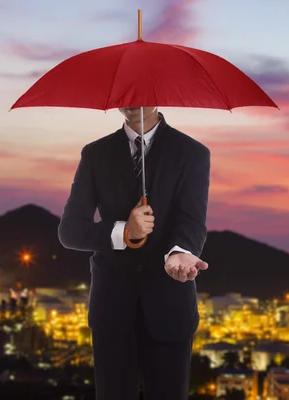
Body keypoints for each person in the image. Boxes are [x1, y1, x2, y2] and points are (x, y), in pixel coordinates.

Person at [58, 106, 210, 400]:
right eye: (124, 92)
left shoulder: (192, 153)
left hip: (170, 303)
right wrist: (124, 233)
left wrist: (179, 253)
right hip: (112, 307)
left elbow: (192, 221)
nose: (132, 100)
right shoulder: (95, 154)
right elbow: (70, 231)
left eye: (140, 91)